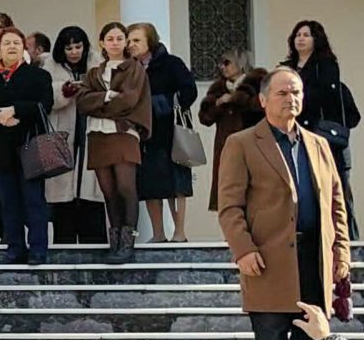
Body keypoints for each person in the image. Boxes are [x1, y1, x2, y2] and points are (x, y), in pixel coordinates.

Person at [216, 67, 352, 340]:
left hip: (314, 255)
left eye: (296, 93)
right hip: (267, 255)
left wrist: (341, 252)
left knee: (311, 336)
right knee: (272, 337)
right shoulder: (243, 143)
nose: (291, 99)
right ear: (263, 100)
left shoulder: (318, 144)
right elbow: (230, 205)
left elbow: (336, 204)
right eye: (282, 93)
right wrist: (243, 249)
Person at [0, 28, 54, 265]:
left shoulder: (38, 76)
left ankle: (38, 249)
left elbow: (45, 104)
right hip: (0, 149)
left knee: (33, 200)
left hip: (30, 146)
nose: (11, 47)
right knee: (8, 202)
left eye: (16, 43)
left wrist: (16, 110)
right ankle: (14, 247)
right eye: (6, 43)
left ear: (23, 48)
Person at [74, 22, 149, 263]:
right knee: (108, 191)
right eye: (110, 38)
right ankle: (114, 241)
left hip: (124, 132)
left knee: (126, 187)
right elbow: (82, 102)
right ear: (102, 43)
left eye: (119, 38)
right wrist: (105, 96)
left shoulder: (134, 68)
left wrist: (99, 106)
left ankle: (128, 241)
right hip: (98, 135)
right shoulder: (94, 72)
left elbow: (129, 100)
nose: (115, 43)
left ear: (125, 41)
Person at [282, 18, 362, 239]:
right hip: (294, 133)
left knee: (336, 190)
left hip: (320, 135)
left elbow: (324, 96)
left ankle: (346, 236)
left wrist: (300, 95)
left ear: (316, 39)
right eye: (298, 35)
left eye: (306, 35)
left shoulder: (326, 65)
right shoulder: (286, 68)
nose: (301, 39)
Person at [129, 22, 198, 244]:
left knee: (177, 183)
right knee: (150, 183)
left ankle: (180, 232)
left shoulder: (171, 63)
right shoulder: (130, 68)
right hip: (145, 133)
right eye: (129, 40)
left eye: (136, 40)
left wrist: (160, 103)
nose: (131, 45)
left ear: (150, 41)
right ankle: (158, 233)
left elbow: (189, 91)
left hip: (172, 131)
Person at [43, 27, 103, 246]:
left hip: (90, 130)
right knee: (61, 196)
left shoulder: (97, 63)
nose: (74, 52)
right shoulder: (50, 66)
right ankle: (64, 245)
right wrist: (63, 91)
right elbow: (44, 96)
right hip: (61, 133)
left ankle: (94, 245)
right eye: (69, 48)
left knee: (91, 193)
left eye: (78, 46)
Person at [200, 52, 266, 194]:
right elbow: (205, 118)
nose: (222, 67)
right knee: (227, 186)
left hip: (252, 142)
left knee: (253, 186)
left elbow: (262, 106)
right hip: (225, 144)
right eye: (221, 63)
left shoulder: (257, 83)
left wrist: (236, 98)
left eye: (227, 63)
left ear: (240, 63)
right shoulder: (218, 89)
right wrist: (217, 104)